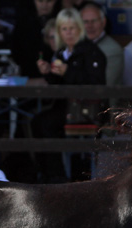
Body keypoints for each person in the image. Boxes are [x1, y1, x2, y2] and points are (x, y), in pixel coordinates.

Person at [32, 8, 106, 181]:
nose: (68, 33)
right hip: (66, 107)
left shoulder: (91, 51)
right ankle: (43, 173)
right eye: (64, 29)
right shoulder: (61, 53)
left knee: (47, 124)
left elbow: (96, 83)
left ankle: (57, 176)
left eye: (72, 28)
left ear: (80, 29)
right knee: (37, 122)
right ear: (59, 31)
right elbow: (58, 84)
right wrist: (48, 73)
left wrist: (68, 71)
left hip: (88, 109)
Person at [79, 2, 123, 87]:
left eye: (94, 21)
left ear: (103, 22)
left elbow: (106, 84)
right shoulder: (77, 45)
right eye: (85, 22)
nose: (89, 26)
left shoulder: (113, 49)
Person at [11, 0, 57, 79]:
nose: (44, 5)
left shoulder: (62, 23)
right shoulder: (23, 23)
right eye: (40, 1)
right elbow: (16, 50)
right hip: (29, 75)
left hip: (57, 76)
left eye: (49, 1)